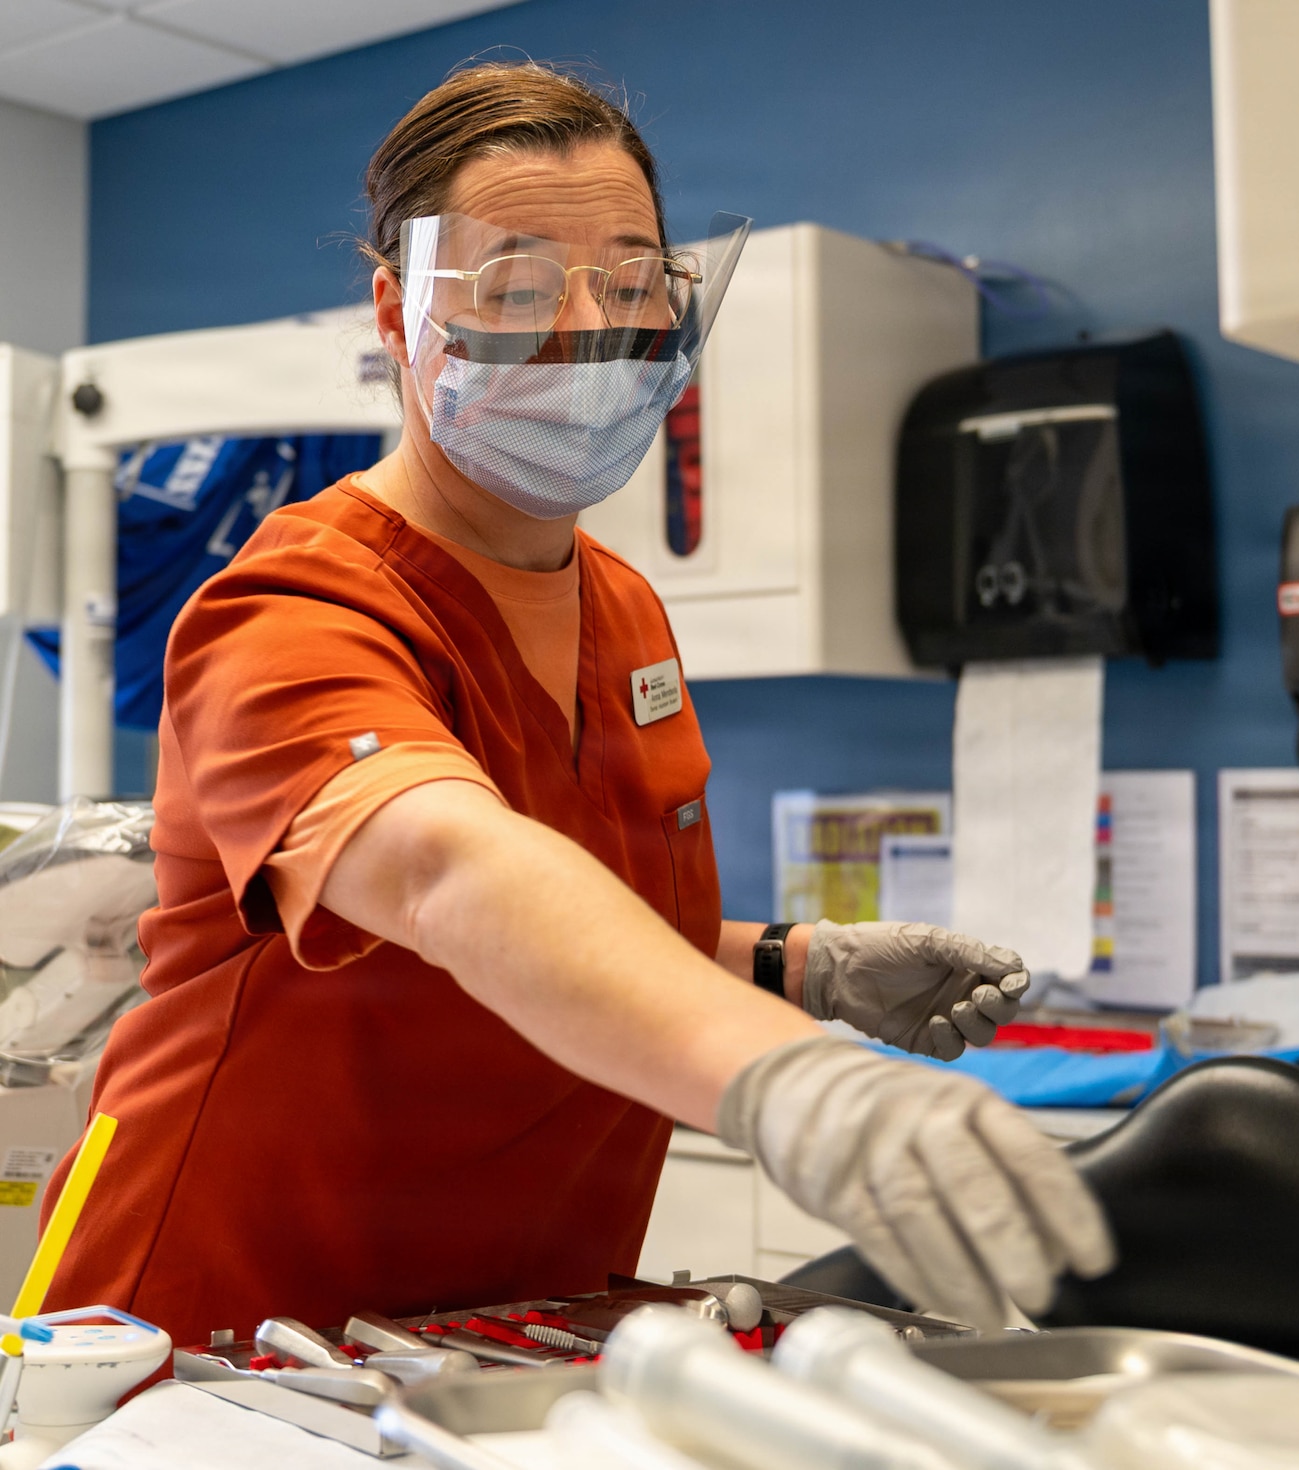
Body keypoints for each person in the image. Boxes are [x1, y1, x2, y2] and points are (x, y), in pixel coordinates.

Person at [43, 61, 1111, 1344]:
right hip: (222, 1333)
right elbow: (449, 879)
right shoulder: (290, 612)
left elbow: (549, 928)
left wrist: (793, 968)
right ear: (398, 313)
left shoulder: (622, 608)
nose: (586, 334)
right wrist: (792, 1082)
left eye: (628, 282)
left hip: (505, 1322)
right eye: (514, 291)